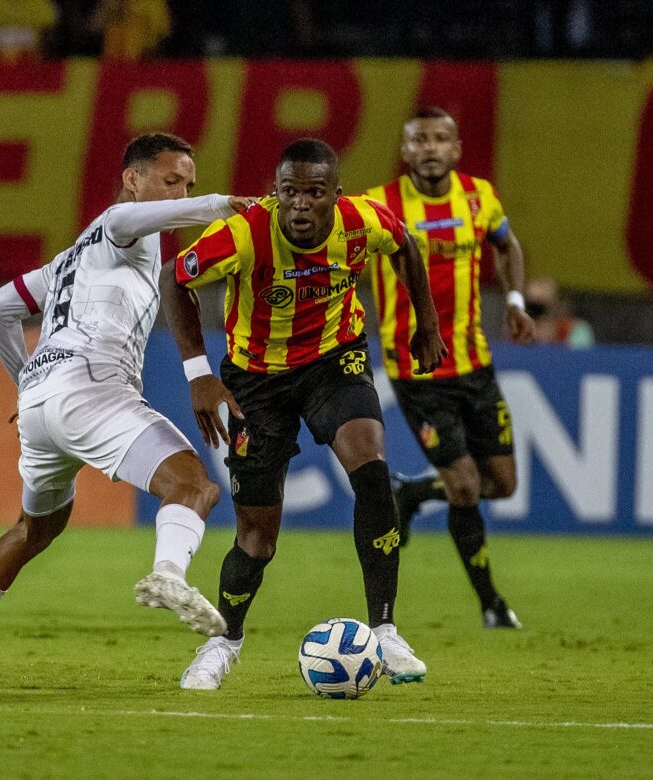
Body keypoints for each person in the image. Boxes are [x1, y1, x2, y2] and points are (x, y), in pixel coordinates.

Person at [0, 133, 254, 683]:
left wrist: (25, 384)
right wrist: (221, 205)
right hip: (92, 389)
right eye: (171, 182)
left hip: (43, 402)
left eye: (188, 185)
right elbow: (121, 224)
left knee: (32, 531)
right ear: (132, 181)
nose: (181, 193)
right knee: (193, 485)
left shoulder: (69, 261)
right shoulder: (119, 225)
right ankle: (167, 571)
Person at [159, 138, 447, 690]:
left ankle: (384, 629)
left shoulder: (362, 221)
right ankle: (224, 642)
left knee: (372, 469)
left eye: (314, 193)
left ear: (334, 197)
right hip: (256, 382)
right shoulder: (244, 232)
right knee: (256, 538)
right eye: (289, 191)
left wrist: (426, 324)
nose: (300, 204)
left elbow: (407, 245)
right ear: (275, 192)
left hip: (335, 361)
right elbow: (176, 276)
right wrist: (199, 373)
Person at [364, 107, 533, 630]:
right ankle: (491, 604)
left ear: (456, 149)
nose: (431, 148)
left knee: (501, 484)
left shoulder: (479, 197)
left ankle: (411, 492)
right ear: (407, 150)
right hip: (417, 372)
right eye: (421, 140)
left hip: (475, 363)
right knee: (464, 487)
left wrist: (516, 298)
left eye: (441, 139)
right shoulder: (377, 205)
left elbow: (508, 243)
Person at [525, 276, 594, 348]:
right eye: (531, 307)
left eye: (542, 307)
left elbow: (581, 357)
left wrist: (551, 338)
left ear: (557, 305)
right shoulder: (517, 331)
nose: (539, 315)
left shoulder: (577, 330)